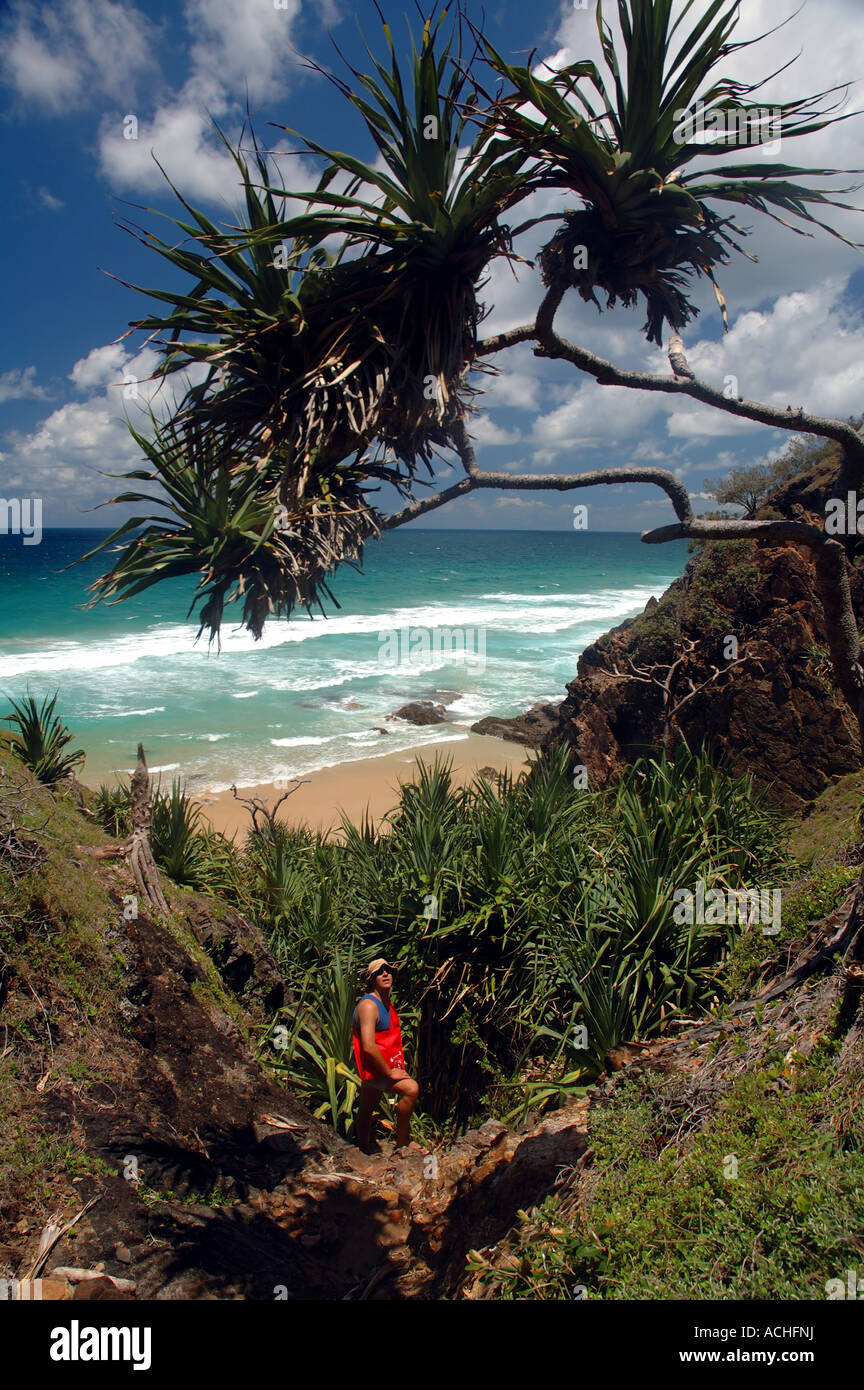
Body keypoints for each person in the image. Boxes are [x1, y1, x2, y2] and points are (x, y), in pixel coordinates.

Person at [353, 959, 419, 1153]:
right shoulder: (369, 1006)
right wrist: (389, 1073)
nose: (385, 974)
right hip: (375, 1067)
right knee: (411, 1089)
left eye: (388, 971)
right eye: (379, 972)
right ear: (372, 979)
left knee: (368, 1102)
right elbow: (368, 1046)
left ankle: (362, 1147)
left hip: (379, 1065)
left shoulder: (385, 1002)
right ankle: (403, 1141)